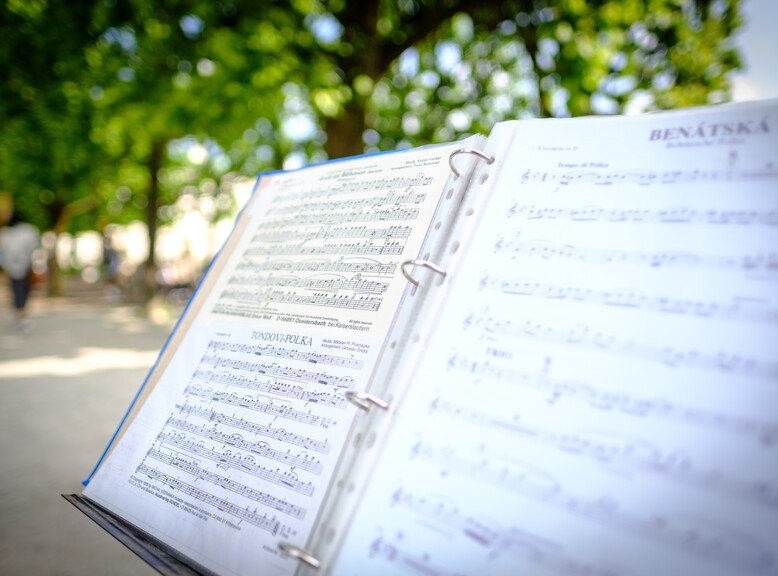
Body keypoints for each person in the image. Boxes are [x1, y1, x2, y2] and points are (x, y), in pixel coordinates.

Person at [0, 212, 41, 330]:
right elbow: (36, 247)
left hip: (12, 267)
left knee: (17, 289)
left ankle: (20, 312)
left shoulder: (5, 234)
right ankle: (22, 313)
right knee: (25, 289)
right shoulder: (28, 231)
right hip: (26, 265)